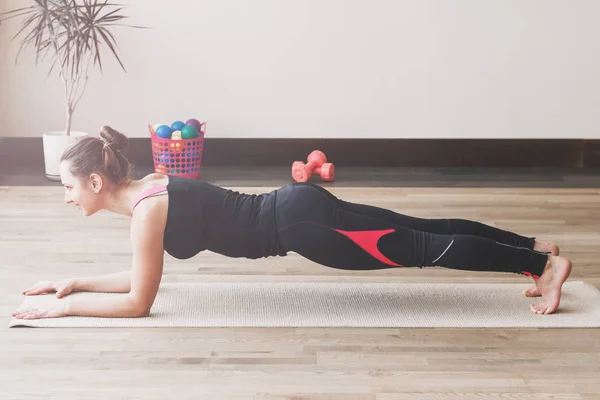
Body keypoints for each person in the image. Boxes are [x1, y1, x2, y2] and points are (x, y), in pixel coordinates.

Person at [12, 126, 572, 321]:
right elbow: (138, 276)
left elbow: (139, 302)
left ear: (93, 182)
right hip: (296, 207)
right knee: (420, 228)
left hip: (304, 230)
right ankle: (532, 247)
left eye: (66, 187)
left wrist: (61, 309)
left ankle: (539, 265)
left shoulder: (146, 213)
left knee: (423, 246)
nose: (64, 199)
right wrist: (78, 282)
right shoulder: (151, 191)